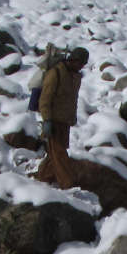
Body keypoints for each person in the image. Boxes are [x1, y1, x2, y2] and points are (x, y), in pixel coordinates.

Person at [33, 46, 88, 189]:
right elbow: (45, 99)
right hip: (53, 120)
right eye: (80, 63)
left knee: (55, 153)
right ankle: (68, 185)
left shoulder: (76, 76)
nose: (81, 67)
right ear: (73, 60)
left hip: (65, 121)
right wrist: (46, 120)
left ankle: (42, 178)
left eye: (84, 64)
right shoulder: (55, 73)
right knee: (60, 154)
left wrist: (72, 117)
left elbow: (72, 99)